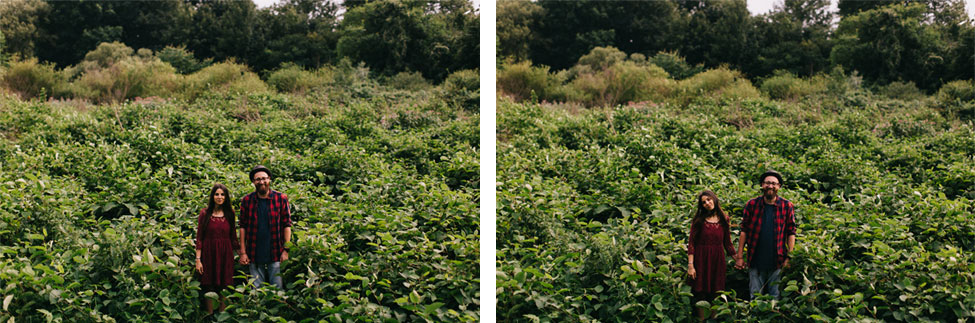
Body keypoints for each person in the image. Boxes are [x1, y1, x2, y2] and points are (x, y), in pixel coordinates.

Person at [735, 170, 797, 300]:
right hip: (755, 260)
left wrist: (789, 257)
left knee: (775, 296)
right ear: (762, 185)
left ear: (779, 186)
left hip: (778, 260)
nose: (770, 186)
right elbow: (744, 230)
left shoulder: (786, 206)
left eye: (774, 183)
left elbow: (791, 232)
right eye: (767, 183)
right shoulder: (752, 204)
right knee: (755, 296)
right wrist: (740, 256)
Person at [687, 190, 738, 321]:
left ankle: (714, 319)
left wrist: (738, 259)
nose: (707, 203)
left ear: (714, 199)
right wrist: (691, 265)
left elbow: (728, 243)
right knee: (701, 292)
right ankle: (702, 319)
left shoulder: (724, 219)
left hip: (717, 259)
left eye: (709, 200)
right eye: (704, 202)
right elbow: (691, 243)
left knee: (716, 292)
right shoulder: (699, 220)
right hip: (701, 258)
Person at [238, 165, 292, 290]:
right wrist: (243, 252)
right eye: (258, 179)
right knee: (257, 289)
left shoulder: (281, 198)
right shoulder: (247, 200)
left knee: (277, 288)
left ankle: (277, 308)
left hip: (276, 251)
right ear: (253, 182)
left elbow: (287, 224)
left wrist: (286, 250)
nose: (261, 182)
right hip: (254, 252)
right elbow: (242, 227)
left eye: (264, 178)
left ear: (269, 180)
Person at [195, 183, 241, 314]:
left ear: (226, 197)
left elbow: (233, 237)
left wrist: (242, 254)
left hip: (226, 253)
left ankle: (222, 316)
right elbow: (200, 238)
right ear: (212, 196)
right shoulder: (205, 213)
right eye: (217, 194)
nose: (219, 197)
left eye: (222, 194)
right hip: (209, 253)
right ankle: (209, 315)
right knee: (209, 284)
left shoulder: (230, 213)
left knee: (225, 285)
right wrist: (198, 259)